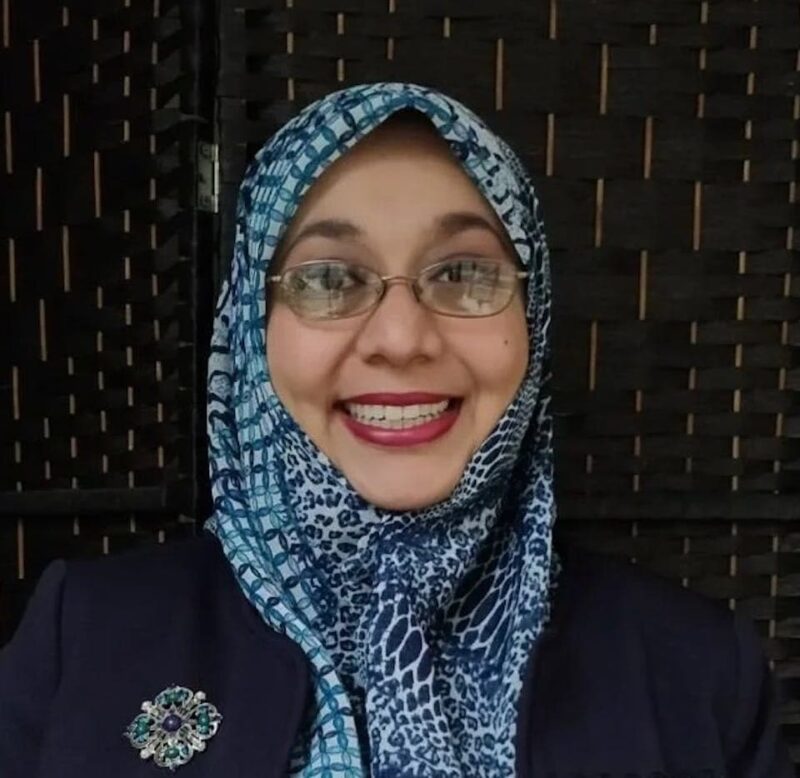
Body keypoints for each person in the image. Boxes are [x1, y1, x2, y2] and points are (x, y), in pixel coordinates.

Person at [0, 82, 793, 778]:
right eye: (326, 278)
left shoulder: (698, 671)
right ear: (252, 326)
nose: (402, 337)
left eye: (464, 272)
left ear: (535, 317)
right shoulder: (89, 636)